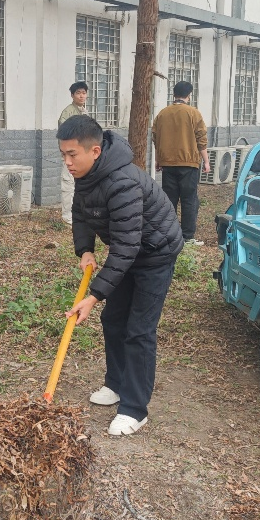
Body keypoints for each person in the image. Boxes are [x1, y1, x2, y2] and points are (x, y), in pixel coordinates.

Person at [59, 115, 183, 437]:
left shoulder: (121, 181)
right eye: (63, 155)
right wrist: (85, 249)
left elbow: (127, 247)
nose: (67, 162)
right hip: (129, 251)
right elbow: (80, 212)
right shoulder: (86, 175)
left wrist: (93, 296)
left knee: (139, 330)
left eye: (72, 154)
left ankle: (134, 409)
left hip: (155, 253)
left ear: (95, 151)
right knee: (113, 319)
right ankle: (116, 384)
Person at [151, 81, 208, 247]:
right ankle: (188, 237)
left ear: (174, 94)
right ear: (189, 95)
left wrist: (158, 160)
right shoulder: (193, 113)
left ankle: (169, 234)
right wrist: (206, 160)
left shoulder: (162, 114)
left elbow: (156, 139)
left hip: (168, 163)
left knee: (170, 200)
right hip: (189, 163)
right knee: (189, 200)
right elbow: (201, 139)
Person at [58, 81, 88, 225]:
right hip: (70, 155)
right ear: (72, 95)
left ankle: (79, 213)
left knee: (81, 183)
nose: (81, 96)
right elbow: (63, 134)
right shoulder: (68, 112)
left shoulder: (85, 112)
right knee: (68, 184)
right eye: (78, 93)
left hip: (82, 155)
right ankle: (67, 216)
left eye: (84, 93)